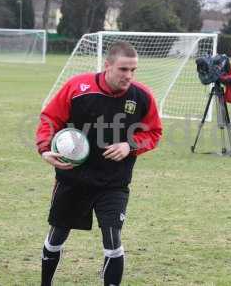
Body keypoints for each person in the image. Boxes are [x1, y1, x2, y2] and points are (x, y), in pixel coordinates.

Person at [35, 41, 162, 286]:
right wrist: (44, 148)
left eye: (133, 70)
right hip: (73, 178)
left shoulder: (142, 96)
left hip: (113, 182)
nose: (129, 76)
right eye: (123, 69)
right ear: (107, 66)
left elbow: (153, 132)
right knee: (57, 235)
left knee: (113, 238)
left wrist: (130, 145)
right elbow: (50, 118)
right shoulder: (77, 87)